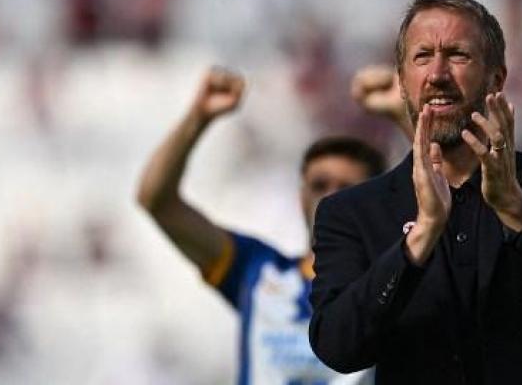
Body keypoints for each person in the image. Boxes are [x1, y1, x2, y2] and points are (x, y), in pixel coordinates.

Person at [308, 0, 522, 384]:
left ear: (496, 78)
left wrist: (519, 212)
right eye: (422, 56)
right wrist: (420, 238)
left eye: (458, 55)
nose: (438, 73)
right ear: (403, 81)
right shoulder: (351, 212)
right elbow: (336, 347)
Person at [136, 68, 404, 385]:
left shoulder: (398, 287)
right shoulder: (258, 271)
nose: (331, 197)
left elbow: (461, 204)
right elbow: (158, 201)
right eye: (319, 185)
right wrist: (198, 117)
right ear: (301, 198)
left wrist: (404, 114)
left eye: (346, 187)